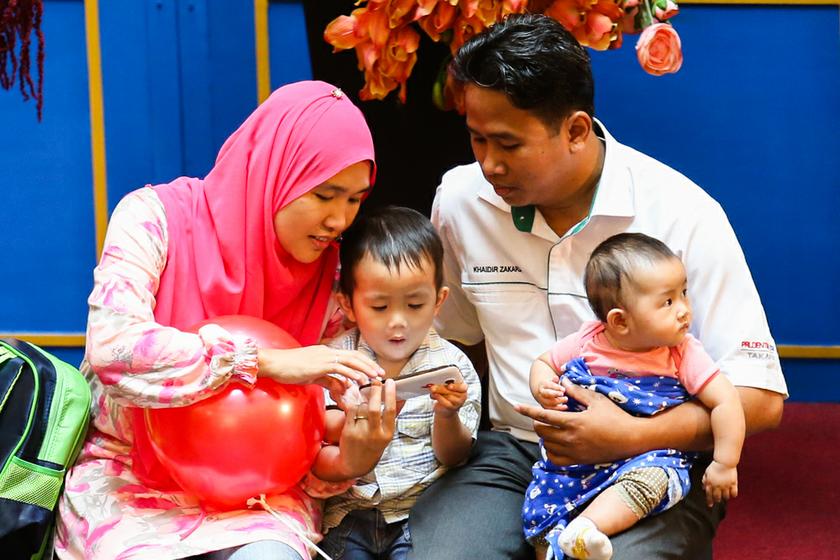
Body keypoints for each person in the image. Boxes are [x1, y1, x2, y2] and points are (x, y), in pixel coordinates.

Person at [407, 13, 787, 560]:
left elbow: (762, 399)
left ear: (577, 130)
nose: (487, 163)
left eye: (508, 144)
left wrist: (629, 436)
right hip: (515, 448)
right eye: (476, 139)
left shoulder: (684, 213)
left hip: (653, 459)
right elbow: (458, 339)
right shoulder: (461, 200)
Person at [55, 81, 400, 560]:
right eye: (325, 195)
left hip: (260, 496)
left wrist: (353, 456)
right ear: (274, 172)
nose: (340, 219)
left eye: (355, 200)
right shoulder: (154, 218)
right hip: (129, 479)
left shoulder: (337, 280)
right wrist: (268, 363)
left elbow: (310, 435)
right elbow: (115, 349)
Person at [525, 233, 745, 560]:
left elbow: (726, 401)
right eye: (668, 302)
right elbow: (544, 362)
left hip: (645, 456)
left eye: (684, 293)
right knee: (542, 503)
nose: (684, 310)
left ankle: (585, 528)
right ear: (620, 321)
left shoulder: (682, 352)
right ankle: (554, 545)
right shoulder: (588, 340)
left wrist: (726, 461)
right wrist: (543, 386)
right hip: (577, 460)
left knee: (654, 480)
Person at [315, 206, 482, 559]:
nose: (398, 322)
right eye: (379, 307)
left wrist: (448, 415)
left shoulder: (452, 367)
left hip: (421, 515)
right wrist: (350, 422)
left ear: (438, 302)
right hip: (349, 516)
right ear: (347, 304)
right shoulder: (333, 363)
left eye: (414, 304)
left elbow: (455, 457)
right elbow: (314, 446)